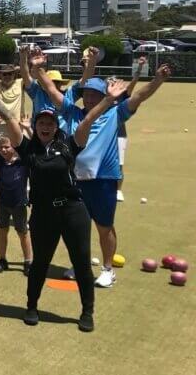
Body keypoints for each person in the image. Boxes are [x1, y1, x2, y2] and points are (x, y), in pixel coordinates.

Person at [0, 78, 131, 332]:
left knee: (81, 261)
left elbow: (87, 121)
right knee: (40, 263)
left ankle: (87, 312)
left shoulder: (68, 144)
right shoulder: (27, 149)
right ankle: (31, 306)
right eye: (41, 122)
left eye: (50, 123)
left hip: (72, 210)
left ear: (57, 127)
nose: (46, 126)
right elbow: (9, 119)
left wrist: (109, 100)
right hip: (43, 214)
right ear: (35, 126)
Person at [37, 57, 172, 288]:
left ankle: (108, 270)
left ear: (104, 97)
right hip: (73, 180)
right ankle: (81, 265)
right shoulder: (72, 112)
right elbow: (50, 89)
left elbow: (139, 96)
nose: (89, 98)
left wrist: (158, 80)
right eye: (87, 94)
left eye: (94, 95)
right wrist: (36, 66)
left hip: (103, 180)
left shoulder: (116, 113)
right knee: (75, 226)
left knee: (104, 226)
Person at [0, 134, 33, 274]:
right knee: (2, 231)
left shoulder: (23, 163)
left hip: (19, 204)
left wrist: (25, 129)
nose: (4, 150)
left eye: (7, 147)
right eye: (1, 147)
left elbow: (31, 148)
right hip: (2, 203)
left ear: (14, 147)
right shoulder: (0, 161)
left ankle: (28, 262)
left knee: (23, 233)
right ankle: (2, 260)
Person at [0, 63, 28, 193]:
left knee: (22, 154)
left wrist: (20, 64)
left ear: (15, 74)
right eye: (4, 74)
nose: (7, 76)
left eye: (10, 73)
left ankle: (23, 180)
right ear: (0, 75)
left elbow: (27, 72)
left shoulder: (20, 83)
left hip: (18, 125)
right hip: (0, 124)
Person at [116, 58, 143, 202]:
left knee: (119, 164)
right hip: (102, 134)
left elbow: (133, 85)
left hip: (120, 135)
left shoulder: (122, 98)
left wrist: (139, 69)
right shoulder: (99, 98)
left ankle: (118, 191)